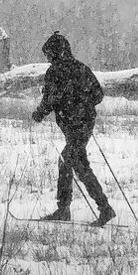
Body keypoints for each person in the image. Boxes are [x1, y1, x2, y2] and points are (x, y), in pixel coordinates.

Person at [30, 31, 116, 226]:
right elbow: (98, 95)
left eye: (49, 54)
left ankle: (91, 209)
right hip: (83, 124)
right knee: (74, 163)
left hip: (75, 125)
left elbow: (50, 99)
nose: (48, 59)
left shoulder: (55, 72)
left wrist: (39, 114)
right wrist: (82, 103)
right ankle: (86, 208)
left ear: (55, 52)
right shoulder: (82, 68)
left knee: (70, 162)